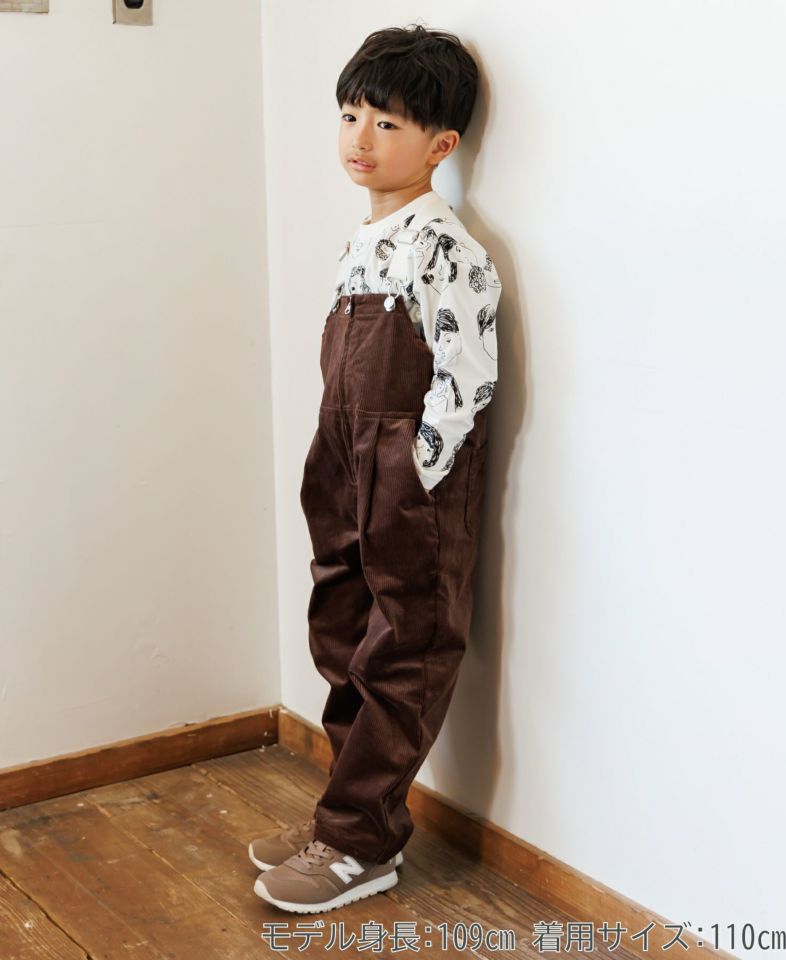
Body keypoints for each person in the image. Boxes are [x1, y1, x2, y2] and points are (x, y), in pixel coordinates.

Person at [252, 22, 502, 914]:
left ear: (441, 145)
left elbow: (466, 379)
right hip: (344, 464)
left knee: (404, 650)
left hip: (405, 483)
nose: (361, 138)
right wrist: (340, 462)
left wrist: (414, 471)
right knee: (342, 634)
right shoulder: (364, 242)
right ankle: (343, 814)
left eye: (388, 124)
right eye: (350, 115)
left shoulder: (447, 249)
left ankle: (363, 843)